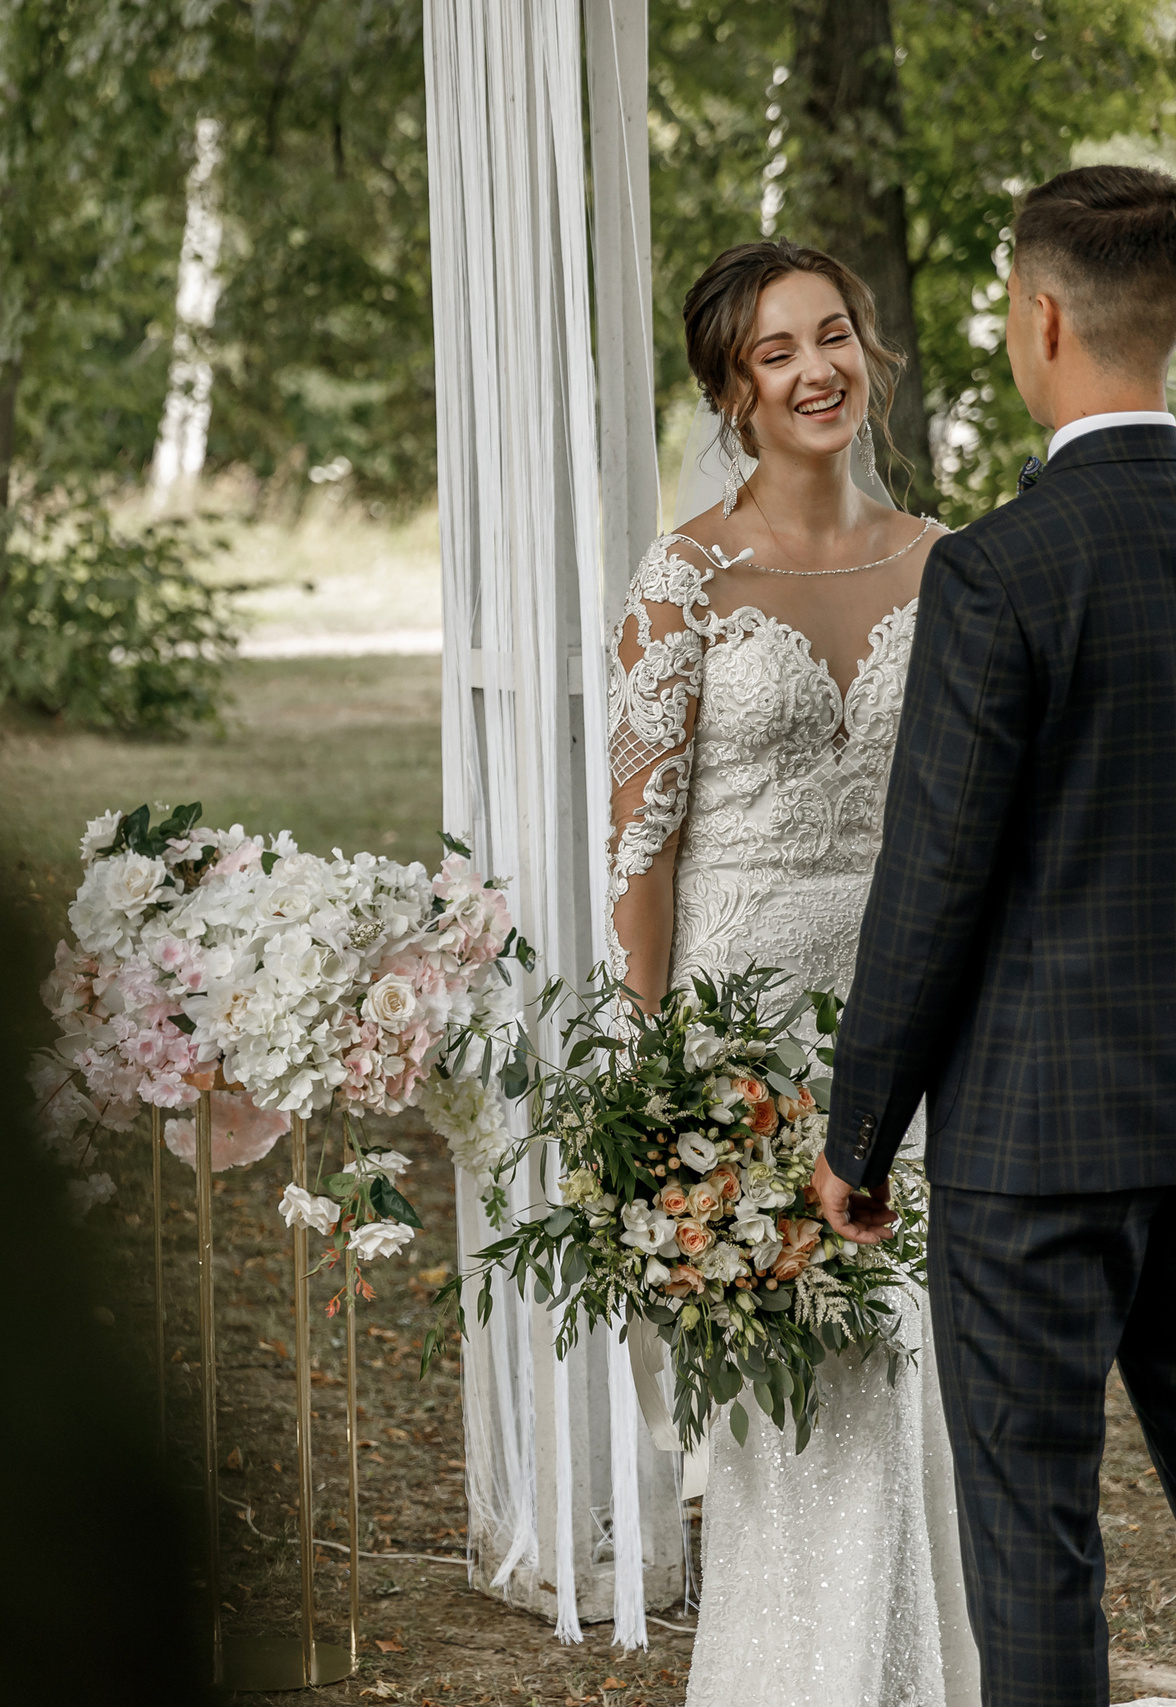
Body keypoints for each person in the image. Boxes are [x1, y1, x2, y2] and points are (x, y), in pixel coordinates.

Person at [819, 164, 1176, 1707]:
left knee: (1035, 1544)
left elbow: (935, 881)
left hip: (1035, 1142)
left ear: (1039, 319)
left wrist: (859, 1129)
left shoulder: (1000, 569)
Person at [604, 240, 978, 1707]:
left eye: (834, 336)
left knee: (900, 1352)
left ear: (867, 356)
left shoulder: (948, 563)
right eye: (777, 351)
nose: (817, 368)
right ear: (731, 391)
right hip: (738, 1019)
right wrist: (654, 1072)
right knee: (790, 1377)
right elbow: (641, 842)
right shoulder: (685, 573)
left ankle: (918, 1674)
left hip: (901, 1004)